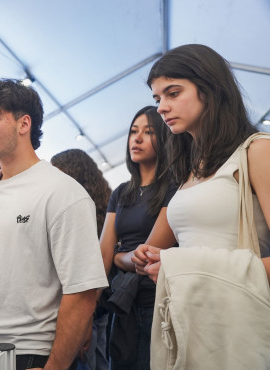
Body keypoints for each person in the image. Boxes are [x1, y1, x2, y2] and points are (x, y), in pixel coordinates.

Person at [0, 79, 108, 370]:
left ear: (24, 124)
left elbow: (82, 291)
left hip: (32, 351)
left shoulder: (62, 192)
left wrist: (54, 367)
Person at [132, 44, 270, 367]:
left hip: (237, 325)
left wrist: (187, 268)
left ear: (208, 89)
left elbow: (192, 261)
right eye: (157, 99)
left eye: (173, 93)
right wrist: (157, 259)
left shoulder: (257, 151)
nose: (162, 107)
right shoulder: (190, 170)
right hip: (188, 319)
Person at [100, 106, 176, 370]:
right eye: (134, 132)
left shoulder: (174, 185)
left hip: (156, 301)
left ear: (164, 139)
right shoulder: (121, 192)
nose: (137, 138)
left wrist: (119, 255)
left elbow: (147, 254)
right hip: (122, 300)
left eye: (148, 131)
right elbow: (102, 255)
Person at [50, 149, 112, 370]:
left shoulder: (79, 210)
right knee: (98, 357)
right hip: (97, 303)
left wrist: (87, 314)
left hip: (87, 303)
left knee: (88, 360)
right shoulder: (103, 207)